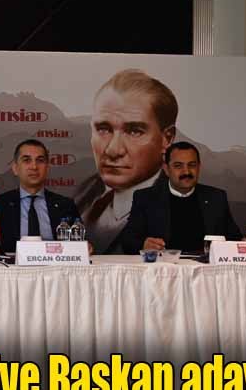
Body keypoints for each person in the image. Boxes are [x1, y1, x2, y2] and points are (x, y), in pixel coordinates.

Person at [75, 69, 177, 253]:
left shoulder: (176, 204)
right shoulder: (85, 192)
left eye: (134, 131)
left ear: (166, 138)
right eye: (103, 129)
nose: (113, 150)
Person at [122, 142, 242, 254]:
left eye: (192, 165)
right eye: (178, 166)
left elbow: (234, 238)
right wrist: (143, 244)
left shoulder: (216, 198)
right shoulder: (146, 198)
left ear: (199, 167)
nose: (186, 172)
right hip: (164, 266)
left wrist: (244, 243)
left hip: (205, 267)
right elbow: (128, 241)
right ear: (166, 169)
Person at [0, 139, 82, 255]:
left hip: (55, 265)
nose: (34, 167)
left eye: (40, 161)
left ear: (47, 168)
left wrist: (84, 247)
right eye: (27, 160)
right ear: (15, 168)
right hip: (12, 266)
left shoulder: (65, 205)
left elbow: (79, 242)